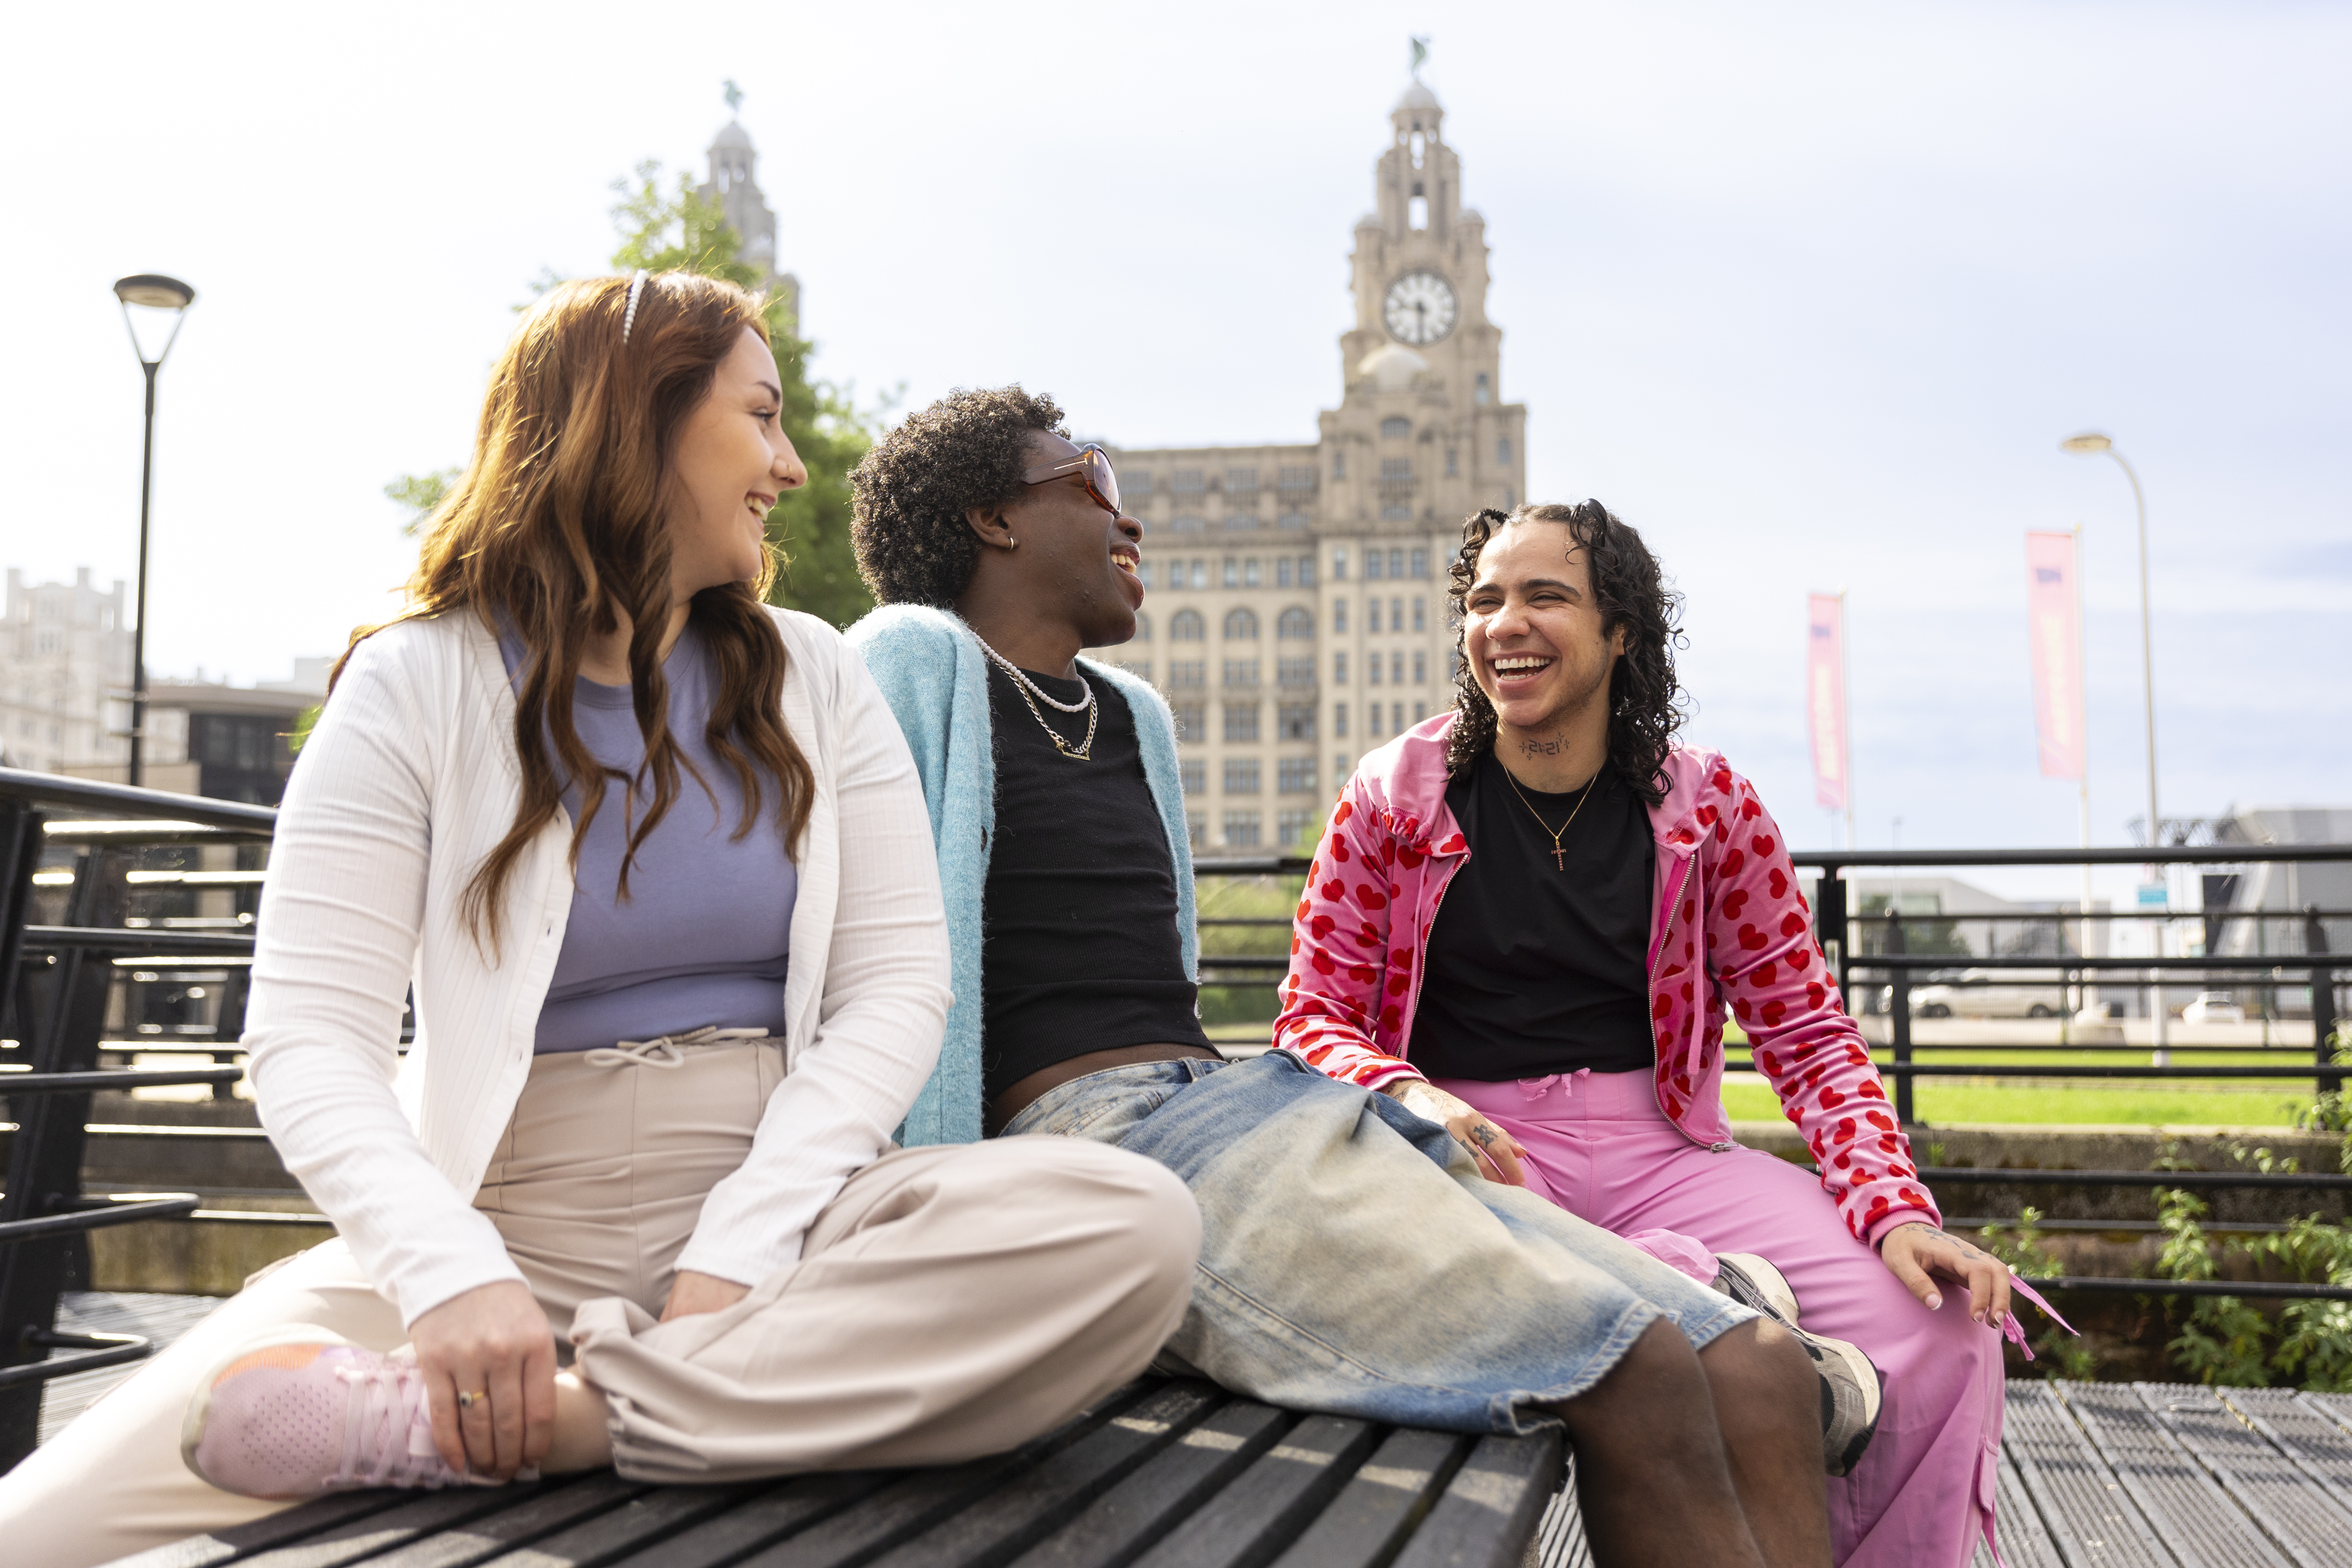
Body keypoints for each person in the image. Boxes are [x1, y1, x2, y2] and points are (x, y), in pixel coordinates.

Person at [0, 277, 1199, 1568]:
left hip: (789, 1208)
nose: (789, 467)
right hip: (497, 1214)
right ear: (642, 421)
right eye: (761, 417)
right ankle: (659, 1398)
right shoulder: (414, 678)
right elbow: (305, 1039)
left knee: (1131, 1224)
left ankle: (540, 1424)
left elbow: (898, 985)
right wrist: (450, 1275)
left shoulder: (818, 675)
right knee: (39, 1530)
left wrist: (737, 1247)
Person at [845, 386, 1838, 1568]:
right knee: (1639, 1367)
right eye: (1093, 477)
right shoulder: (911, 657)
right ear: (991, 520)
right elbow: (852, 946)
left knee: (1760, 1367)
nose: (1131, 518)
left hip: (1238, 1100)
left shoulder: (1126, 716)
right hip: (1095, 1146)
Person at [1276, 500, 2030, 1568]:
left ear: (1621, 630)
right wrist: (1414, 1095)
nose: (1506, 622)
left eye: (1546, 595)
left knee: (1942, 1325)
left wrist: (1895, 1209)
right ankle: (1690, 1279)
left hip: (1662, 1151)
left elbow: (1807, 1030)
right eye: (1485, 599)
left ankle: (1694, 1276)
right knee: (1651, 1325)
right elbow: (1313, 1015)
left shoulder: (1709, 805)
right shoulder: (1394, 798)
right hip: (1474, 1160)